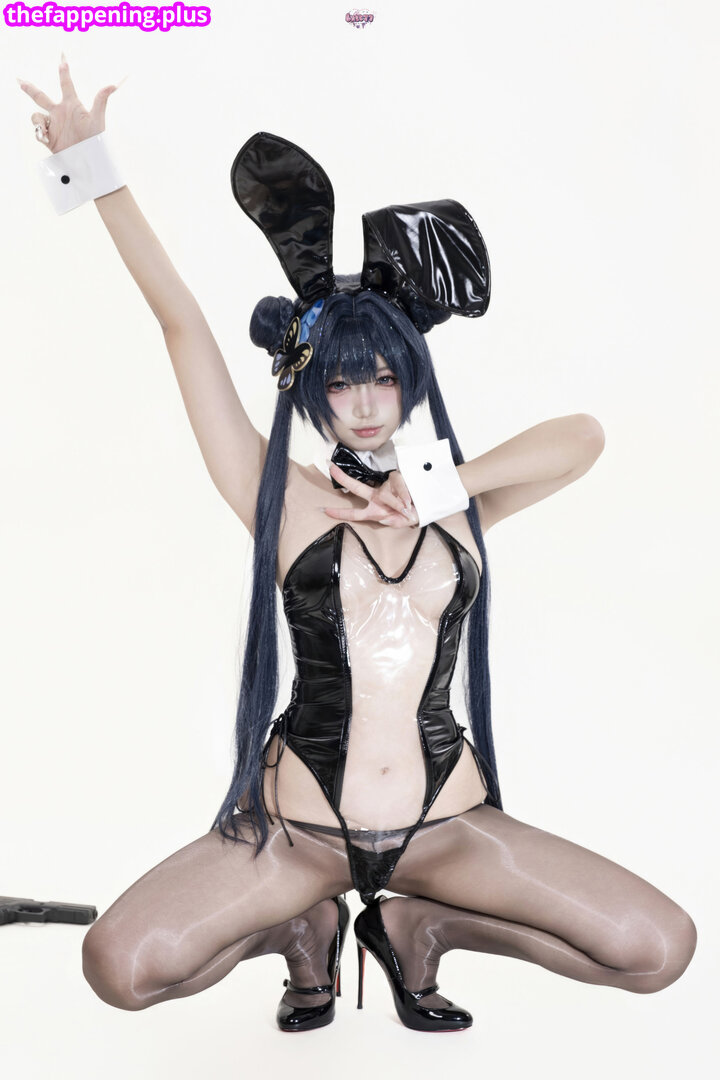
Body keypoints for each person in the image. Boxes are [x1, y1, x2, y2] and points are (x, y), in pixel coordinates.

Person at [19, 59, 697, 1034]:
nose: (367, 403)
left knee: (656, 950)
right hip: (299, 831)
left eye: (383, 377)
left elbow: (583, 438)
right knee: (120, 968)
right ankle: (303, 931)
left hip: (448, 826)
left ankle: (421, 925)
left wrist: (442, 487)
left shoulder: (455, 507)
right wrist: (95, 170)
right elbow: (180, 325)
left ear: (410, 378)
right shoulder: (279, 497)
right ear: (312, 388)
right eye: (342, 383)